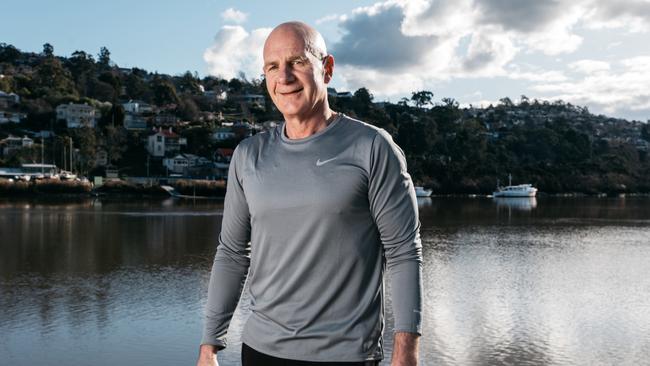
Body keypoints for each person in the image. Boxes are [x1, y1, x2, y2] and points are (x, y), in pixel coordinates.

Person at [197, 21, 422, 366]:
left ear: (327, 69)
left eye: (297, 62)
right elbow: (231, 253)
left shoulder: (372, 148)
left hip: (346, 357)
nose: (284, 77)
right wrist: (210, 344)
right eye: (273, 66)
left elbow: (404, 252)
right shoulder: (248, 155)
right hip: (260, 352)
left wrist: (405, 352)